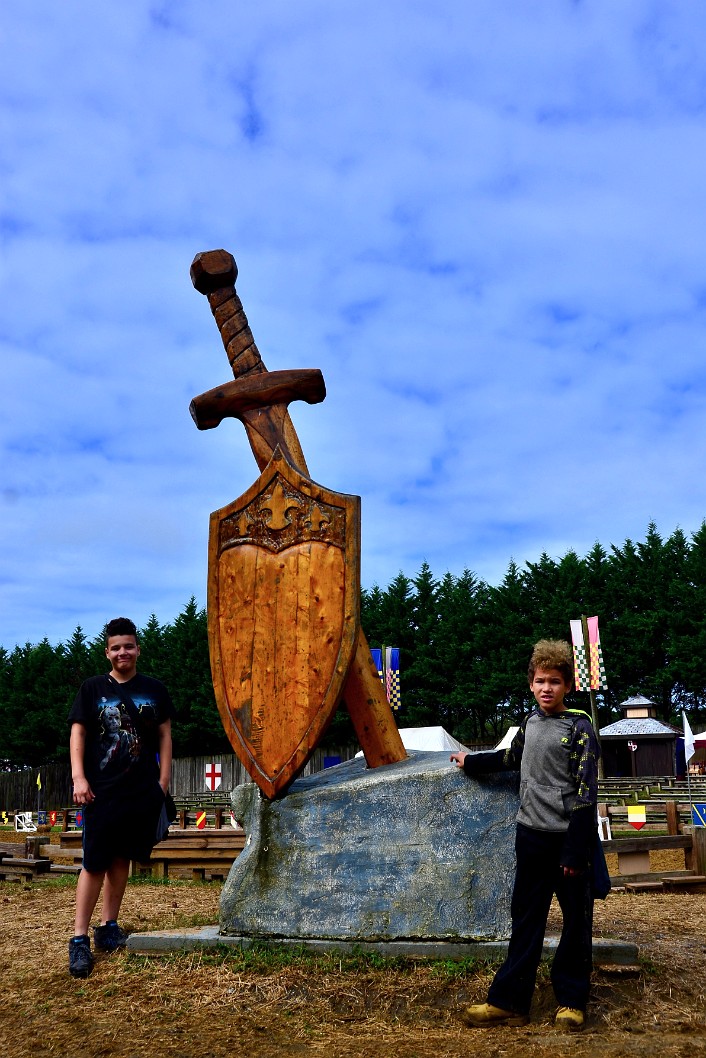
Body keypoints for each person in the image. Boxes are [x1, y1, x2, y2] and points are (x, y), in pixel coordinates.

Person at [450, 639, 600, 1032]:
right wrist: (470, 761)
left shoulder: (580, 728)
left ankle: (571, 1002)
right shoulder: (529, 723)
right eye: (539, 681)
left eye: (554, 681)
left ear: (567, 684)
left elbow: (586, 793)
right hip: (530, 838)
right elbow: (509, 759)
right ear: (530, 685)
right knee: (527, 922)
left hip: (569, 844)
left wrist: (573, 852)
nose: (546, 688)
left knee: (575, 925)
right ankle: (510, 1003)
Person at [67, 617, 175, 978]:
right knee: (95, 861)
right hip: (101, 790)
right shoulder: (92, 688)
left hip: (140, 790)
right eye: (115, 647)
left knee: (122, 859)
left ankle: (108, 927)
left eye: (128, 645)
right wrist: (78, 776)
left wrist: (163, 781)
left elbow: (164, 736)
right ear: (107, 652)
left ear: (137, 649)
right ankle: (80, 939)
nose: (122, 652)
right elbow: (78, 734)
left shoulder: (155, 689)